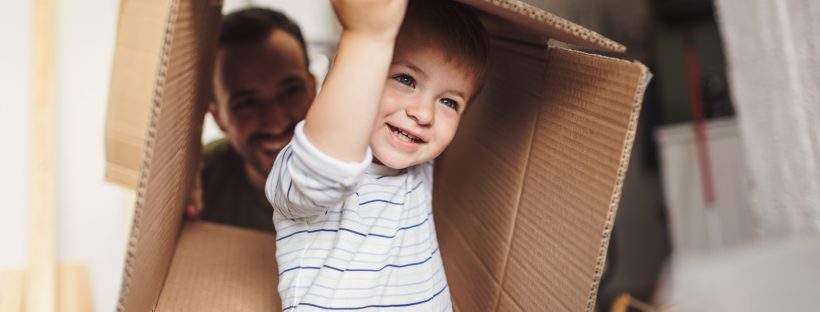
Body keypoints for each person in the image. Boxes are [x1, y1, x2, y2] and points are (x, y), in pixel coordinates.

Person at [265, 0, 489, 309]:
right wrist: (366, 35)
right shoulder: (308, 166)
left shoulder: (417, 161)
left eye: (449, 102)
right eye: (406, 79)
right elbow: (323, 173)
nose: (424, 114)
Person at [196, 8, 316, 233]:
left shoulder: (368, 170)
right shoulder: (199, 183)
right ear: (219, 117)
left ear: (313, 89)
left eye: (291, 91)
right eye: (246, 103)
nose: (275, 121)